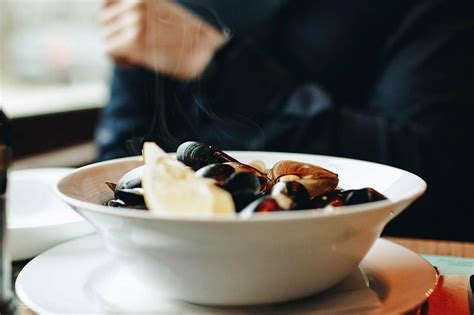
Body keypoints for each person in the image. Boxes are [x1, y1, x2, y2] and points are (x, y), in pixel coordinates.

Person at [95, 0, 474, 241]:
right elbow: (119, 161)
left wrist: (217, 63)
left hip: (369, 252)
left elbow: (427, 169)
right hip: (167, 255)